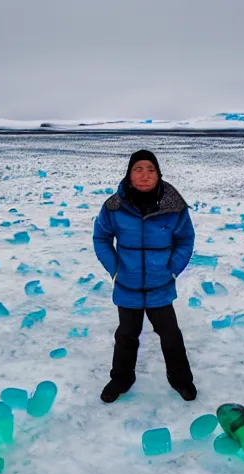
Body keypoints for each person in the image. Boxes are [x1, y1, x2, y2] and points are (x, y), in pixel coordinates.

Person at [93, 149, 197, 403]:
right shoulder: (113, 207)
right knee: (126, 336)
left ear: (159, 175)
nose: (144, 175)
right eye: (138, 169)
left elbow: (185, 239)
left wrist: (172, 268)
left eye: (150, 169)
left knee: (171, 335)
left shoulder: (174, 208)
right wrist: (115, 268)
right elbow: (101, 237)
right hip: (127, 286)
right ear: (129, 175)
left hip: (160, 286)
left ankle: (181, 380)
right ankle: (121, 379)